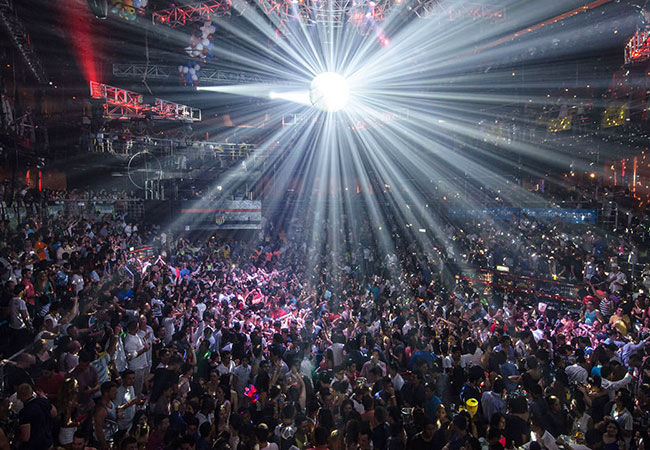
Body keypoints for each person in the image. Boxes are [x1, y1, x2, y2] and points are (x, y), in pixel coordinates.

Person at [16, 383, 56, 450]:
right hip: (48, 442)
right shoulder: (44, 401)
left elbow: (26, 437)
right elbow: (54, 413)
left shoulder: (24, 412)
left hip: (35, 446)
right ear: (31, 392)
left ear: (19, 396)